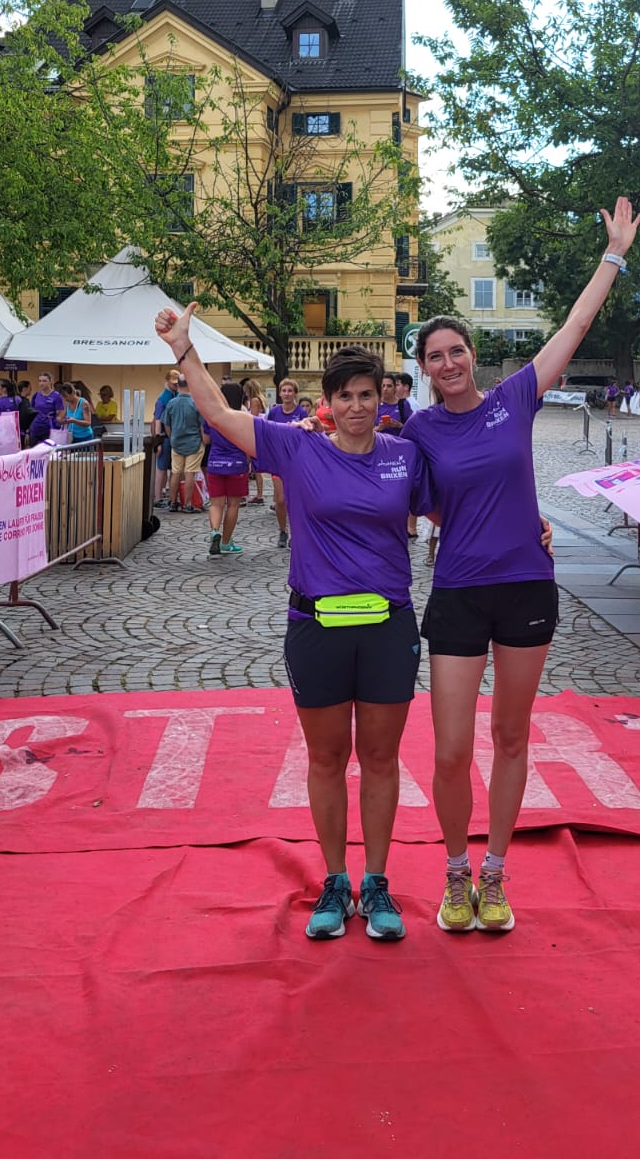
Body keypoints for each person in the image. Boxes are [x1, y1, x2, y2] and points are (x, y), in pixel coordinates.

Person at [154, 308, 435, 943]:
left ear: (382, 398)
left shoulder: (405, 457)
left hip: (388, 625)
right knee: (329, 756)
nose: (359, 405)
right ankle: (336, 880)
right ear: (328, 402)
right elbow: (222, 417)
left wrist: (534, 526)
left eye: (368, 394)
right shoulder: (299, 446)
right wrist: (184, 349)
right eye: (346, 396)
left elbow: (459, 504)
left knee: (382, 757)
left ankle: (378, 881)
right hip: (317, 626)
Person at [403, 197, 640, 936]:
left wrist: (614, 255)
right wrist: (484, 519)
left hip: (525, 590)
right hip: (459, 594)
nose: (447, 363)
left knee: (511, 736)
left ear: (472, 355)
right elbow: (421, 503)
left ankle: (496, 875)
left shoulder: (515, 398)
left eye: (456, 351)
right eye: (434, 356)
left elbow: (572, 327)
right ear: (422, 368)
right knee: (448, 750)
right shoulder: (418, 429)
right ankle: (452, 872)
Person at [203, 381, 250, 556]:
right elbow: (248, 442)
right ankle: (225, 542)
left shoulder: (212, 416)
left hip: (215, 463)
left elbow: (206, 440)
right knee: (233, 505)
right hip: (237, 465)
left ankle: (215, 531)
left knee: (216, 503)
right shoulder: (243, 417)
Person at [267, 378, 308, 549]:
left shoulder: (302, 412)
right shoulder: (274, 412)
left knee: (295, 500)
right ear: (280, 393)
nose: (287, 394)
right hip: (278, 460)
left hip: (296, 461)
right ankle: (283, 531)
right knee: (281, 499)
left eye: (290, 391)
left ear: (295, 393)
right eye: (284, 391)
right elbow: (267, 433)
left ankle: (295, 532)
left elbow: (307, 435)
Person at [163, 374, 204, 511]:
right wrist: (203, 441)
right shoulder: (196, 403)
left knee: (175, 472)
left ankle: (173, 502)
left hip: (176, 442)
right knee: (189, 473)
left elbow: (167, 425)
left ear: (178, 385)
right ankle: (187, 504)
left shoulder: (171, 403)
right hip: (194, 442)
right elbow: (202, 426)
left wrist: (171, 437)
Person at [152, 368, 181, 506]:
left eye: (177, 383)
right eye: (173, 382)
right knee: (161, 468)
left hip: (172, 436)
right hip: (164, 437)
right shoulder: (163, 399)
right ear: (167, 381)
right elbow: (157, 420)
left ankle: (165, 495)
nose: (176, 385)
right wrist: (157, 442)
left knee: (171, 468)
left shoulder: (175, 395)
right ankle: (157, 497)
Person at [241, 378, 268, 504]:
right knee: (256, 467)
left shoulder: (254, 401)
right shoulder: (262, 400)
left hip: (254, 434)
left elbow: (253, 417)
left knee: (253, 465)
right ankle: (259, 493)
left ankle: (258, 494)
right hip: (261, 434)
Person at [28, 372, 65, 446]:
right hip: (36, 428)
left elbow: (61, 414)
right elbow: (31, 412)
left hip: (49, 429)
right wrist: (27, 430)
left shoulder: (56, 396)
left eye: (44, 381)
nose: (41, 383)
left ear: (50, 382)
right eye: (40, 381)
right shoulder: (36, 395)